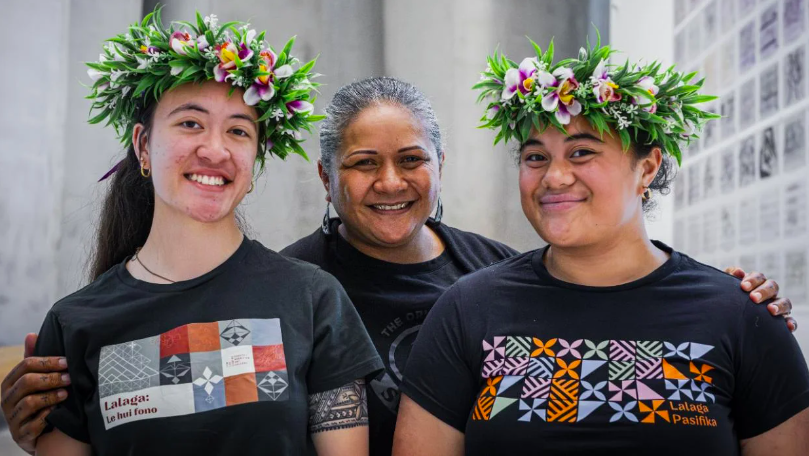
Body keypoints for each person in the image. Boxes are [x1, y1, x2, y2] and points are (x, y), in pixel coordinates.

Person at [1, 71, 795, 456]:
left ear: (441, 168)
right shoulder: (290, 290)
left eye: (411, 159)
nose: (389, 182)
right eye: (361, 164)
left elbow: (609, 309)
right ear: (325, 179)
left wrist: (726, 305)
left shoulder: (496, 280)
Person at [393, 39, 809, 455]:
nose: (554, 177)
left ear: (647, 168)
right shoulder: (468, 309)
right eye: (535, 157)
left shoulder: (740, 314)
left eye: (581, 152)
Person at [8, 9, 383, 456]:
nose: (215, 149)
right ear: (143, 146)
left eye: (238, 131)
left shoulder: (312, 299)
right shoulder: (74, 323)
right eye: (190, 123)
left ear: (255, 159)